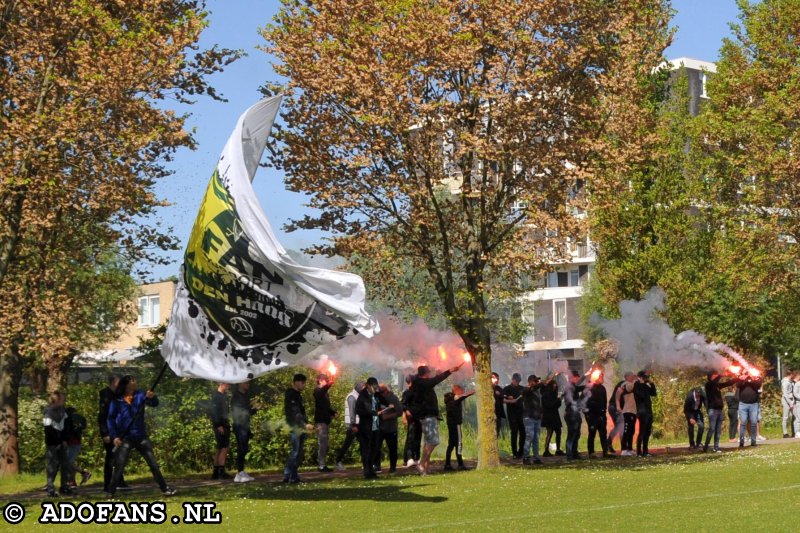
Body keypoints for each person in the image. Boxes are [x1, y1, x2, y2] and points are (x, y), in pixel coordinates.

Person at [107, 375, 175, 497]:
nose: (135, 382)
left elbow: (154, 403)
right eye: (132, 380)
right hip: (125, 437)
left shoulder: (141, 395)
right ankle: (110, 492)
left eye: (135, 379)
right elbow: (110, 419)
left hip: (141, 436)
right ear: (126, 384)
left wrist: (152, 397)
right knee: (119, 466)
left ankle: (165, 488)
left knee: (153, 464)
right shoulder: (117, 400)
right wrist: (114, 436)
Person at [411, 362, 464, 474]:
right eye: (429, 372)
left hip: (425, 416)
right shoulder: (422, 383)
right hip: (428, 415)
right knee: (434, 441)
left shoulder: (419, 383)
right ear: (425, 374)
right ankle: (421, 464)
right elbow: (435, 380)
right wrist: (450, 370)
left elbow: (434, 379)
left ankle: (425, 470)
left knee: (427, 442)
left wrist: (439, 373)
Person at [98, 374, 127, 493]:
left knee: (118, 457)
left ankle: (119, 481)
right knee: (111, 457)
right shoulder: (107, 396)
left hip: (116, 430)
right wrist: (105, 433)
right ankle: (108, 484)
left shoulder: (116, 395)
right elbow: (103, 416)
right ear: (113, 382)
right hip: (109, 432)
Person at [284, 373, 313, 483]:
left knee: (299, 453)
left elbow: (300, 412)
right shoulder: (291, 395)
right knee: (295, 452)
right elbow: (295, 412)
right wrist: (304, 424)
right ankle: (288, 475)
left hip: (300, 426)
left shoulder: (298, 395)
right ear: (296, 382)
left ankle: (293, 476)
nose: (304, 385)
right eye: (302, 382)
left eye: (304, 382)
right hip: (296, 427)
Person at [355, 377, 384, 479]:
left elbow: (378, 404)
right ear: (368, 385)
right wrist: (374, 413)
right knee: (366, 450)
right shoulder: (363, 396)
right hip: (366, 427)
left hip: (375, 426)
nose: (375, 389)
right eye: (374, 386)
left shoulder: (375, 395)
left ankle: (371, 471)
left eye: (376, 386)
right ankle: (367, 471)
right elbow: (361, 410)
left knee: (374, 449)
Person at [43, 391, 70, 497]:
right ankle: (50, 488)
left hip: (62, 443)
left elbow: (66, 426)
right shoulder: (48, 413)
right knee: (52, 466)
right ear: (57, 400)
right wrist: (57, 442)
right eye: (62, 399)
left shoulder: (63, 411)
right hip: (53, 444)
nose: (64, 401)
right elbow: (48, 430)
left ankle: (64, 486)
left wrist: (65, 440)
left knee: (65, 464)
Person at [444, 384, 474, 471]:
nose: (462, 391)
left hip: (450, 425)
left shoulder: (449, 399)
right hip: (456, 425)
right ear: (456, 390)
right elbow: (461, 397)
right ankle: (460, 464)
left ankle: (447, 464)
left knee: (451, 445)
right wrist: (470, 393)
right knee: (459, 443)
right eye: (460, 389)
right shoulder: (454, 398)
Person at [703, 372, 735, 453]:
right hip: (712, 410)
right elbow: (714, 382)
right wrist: (721, 374)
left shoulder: (717, 385)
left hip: (719, 410)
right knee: (712, 429)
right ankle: (706, 447)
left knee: (718, 430)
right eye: (715, 375)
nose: (717, 376)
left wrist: (738, 378)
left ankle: (716, 447)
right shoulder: (709, 385)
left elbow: (728, 383)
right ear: (711, 377)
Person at [335, 381, 364, 471]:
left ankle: (365, 462)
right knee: (348, 443)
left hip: (357, 424)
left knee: (363, 443)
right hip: (353, 425)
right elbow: (352, 412)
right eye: (363, 387)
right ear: (358, 387)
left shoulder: (357, 396)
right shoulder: (352, 397)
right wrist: (353, 424)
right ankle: (338, 461)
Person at [232, 380, 256, 483]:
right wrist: (252, 408)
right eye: (246, 383)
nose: (248, 385)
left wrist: (254, 408)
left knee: (245, 449)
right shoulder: (236, 397)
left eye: (248, 383)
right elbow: (241, 412)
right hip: (239, 425)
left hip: (245, 425)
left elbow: (247, 412)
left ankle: (241, 471)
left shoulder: (245, 395)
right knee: (241, 448)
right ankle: (239, 473)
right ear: (240, 383)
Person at [563, 370, 590, 460]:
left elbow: (578, 385)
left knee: (577, 434)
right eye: (576, 377)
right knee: (572, 434)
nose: (577, 379)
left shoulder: (572, 385)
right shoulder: (569, 386)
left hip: (575, 413)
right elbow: (578, 388)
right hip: (571, 413)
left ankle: (574, 453)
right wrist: (587, 385)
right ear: (572, 377)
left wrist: (585, 375)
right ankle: (569, 455)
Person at [313, 373, 336, 472]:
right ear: (319, 380)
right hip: (320, 421)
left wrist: (332, 412)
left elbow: (325, 406)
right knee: (322, 443)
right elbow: (322, 391)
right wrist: (329, 384)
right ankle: (321, 465)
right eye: (324, 380)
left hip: (326, 420)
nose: (326, 381)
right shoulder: (317, 390)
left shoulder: (325, 393)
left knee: (325, 444)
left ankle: (323, 464)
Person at [64, 406, 91, 488]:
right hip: (74, 443)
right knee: (70, 463)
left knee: (68, 462)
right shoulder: (77, 419)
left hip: (73, 444)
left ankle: (84, 473)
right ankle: (72, 482)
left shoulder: (69, 419)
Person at [521, 375, 545, 465]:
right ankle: (526, 457)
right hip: (529, 417)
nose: (536, 382)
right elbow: (532, 388)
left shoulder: (537, 392)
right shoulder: (526, 390)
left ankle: (536, 458)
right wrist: (541, 383)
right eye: (534, 381)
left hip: (537, 418)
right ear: (530, 382)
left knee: (536, 439)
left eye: (536, 381)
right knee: (529, 437)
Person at [210, 382, 231, 479]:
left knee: (220, 448)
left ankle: (215, 472)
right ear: (221, 384)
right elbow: (214, 412)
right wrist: (218, 425)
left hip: (225, 424)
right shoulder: (216, 397)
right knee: (224, 448)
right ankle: (221, 472)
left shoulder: (224, 396)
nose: (229, 386)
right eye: (227, 384)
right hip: (220, 425)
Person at [377, 383, 401, 473]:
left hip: (391, 428)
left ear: (386, 391)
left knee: (392, 448)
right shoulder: (378, 398)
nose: (380, 394)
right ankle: (377, 466)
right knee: (376, 447)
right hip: (379, 427)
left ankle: (393, 467)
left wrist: (387, 416)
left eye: (382, 392)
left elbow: (399, 412)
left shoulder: (393, 398)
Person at [736, 370, 763, 448]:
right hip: (743, 404)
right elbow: (738, 385)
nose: (747, 374)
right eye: (746, 373)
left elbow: (758, 385)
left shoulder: (756, 379)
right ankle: (741, 442)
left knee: (754, 422)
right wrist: (743, 378)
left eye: (748, 373)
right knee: (743, 422)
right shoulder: (741, 380)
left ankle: (753, 442)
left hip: (754, 404)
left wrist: (753, 378)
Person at [585, 372, 609, 457]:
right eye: (600, 376)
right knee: (592, 433)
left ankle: (605, 452)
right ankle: (591, 452)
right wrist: (588, 414)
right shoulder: (589, 388)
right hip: (592, 415)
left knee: (603, 433)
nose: (602, 378)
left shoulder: (602, 388)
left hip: (601, 415)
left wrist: (604, 412)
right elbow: (585, 402)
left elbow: (604, 401)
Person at [633, 370, 657, 457]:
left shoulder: (646, 385)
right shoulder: (637, 385)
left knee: (647, 431)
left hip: (648, 410)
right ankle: (639, 452)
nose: (646, 379)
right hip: (642, 411)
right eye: (644, 377)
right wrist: (643, 383)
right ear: (640, 377)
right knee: (642, 431)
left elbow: (654, 393)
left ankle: (645, 451)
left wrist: (652, 384)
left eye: (646, 377)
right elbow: (641, 396)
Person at [503, 373, 525, 459]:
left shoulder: (522, 388)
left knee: (523, 433)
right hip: (512, 414)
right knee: (514, 433)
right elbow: (503, 397)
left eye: (518, 381)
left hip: (521, 414)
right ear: (512, 379)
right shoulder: (507, 388)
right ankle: (515, 452)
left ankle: (521, 451)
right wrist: (509, 397)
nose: (517, 382)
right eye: (516, 381)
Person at [401, 375, 422, 468]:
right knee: (410, 438)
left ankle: (416, 457)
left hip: (419, 419)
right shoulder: (407, 392)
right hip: (412, 419)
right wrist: (405, 414)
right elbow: (403, 404)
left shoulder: (418, 392)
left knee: (418, 438)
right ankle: (408, 458)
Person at [616, 372, 638, 456]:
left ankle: (629, 448)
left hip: (633, 411)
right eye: (632, 375)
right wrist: (636, 380)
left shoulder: (631, 383)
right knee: (627, 430)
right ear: (627, 376)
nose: (633, 376)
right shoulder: (626, 384)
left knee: (631, 431)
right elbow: (630, 388)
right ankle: (624, 449)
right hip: (628, 411)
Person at [541, 379, 564, 456]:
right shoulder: (546, 394)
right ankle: (546, 450)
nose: (555, 387)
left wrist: (559, 400)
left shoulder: (554, 394)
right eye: (553, 385)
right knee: (549, 433)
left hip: (555, 415)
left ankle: (558, 449)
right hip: (548, 416)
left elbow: (556, 405)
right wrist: (557, 400)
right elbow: (549, 405)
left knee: (558, 432)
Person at [780, 369, 795, 438]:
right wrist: (790, 403)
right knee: (785, 417)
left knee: (793, 416)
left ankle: (794, 431)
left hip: (791, 400)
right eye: (793, 374)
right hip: (786, 401)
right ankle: (785, 433)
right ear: (791, 374)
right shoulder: (785, 382)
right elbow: (785, 394)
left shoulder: (791, 382)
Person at [491, 372, 506, 437]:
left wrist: (499, 394)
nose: (496, 380)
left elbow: (503, 396)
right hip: (490, 415)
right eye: (494, 378)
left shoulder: (499, 388)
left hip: (498, 415)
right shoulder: (487, 389)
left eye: (498, 379)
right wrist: (494, 392)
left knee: (497, 433)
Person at [793, 371, 800, 439]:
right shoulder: (797, 384)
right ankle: (797, 432)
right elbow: (795, 393)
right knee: (798, 418)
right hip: (798, 403)